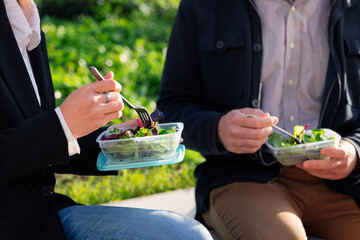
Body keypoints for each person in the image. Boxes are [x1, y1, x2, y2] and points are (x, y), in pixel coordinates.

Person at [0, 0, 213, 239]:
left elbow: (26, 133)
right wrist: (61, 126)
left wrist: (114, 140)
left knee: (186, 234)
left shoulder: (23, 14)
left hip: (41, 216)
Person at [157, 0, 360, 239]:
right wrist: (218, 130)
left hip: (345, 185)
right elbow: (171, 107)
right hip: (243, 177)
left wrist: (355, 150)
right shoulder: (203, 5)